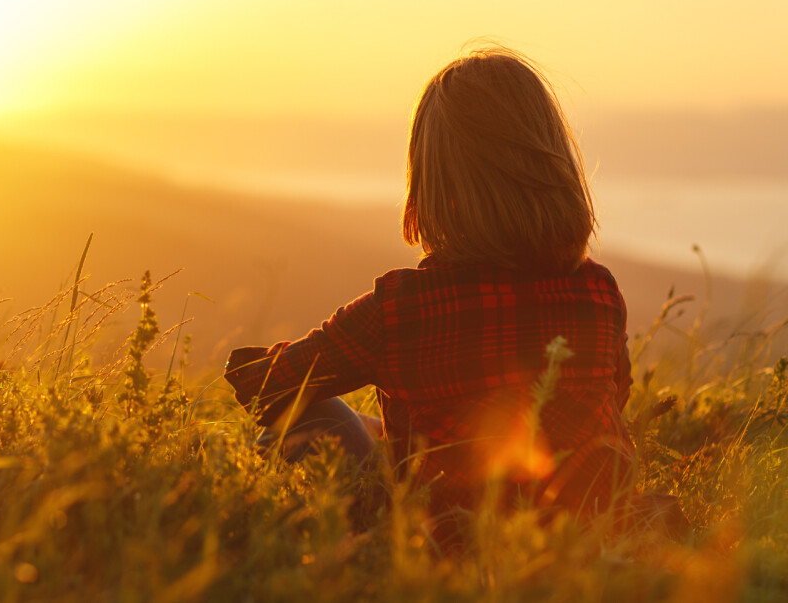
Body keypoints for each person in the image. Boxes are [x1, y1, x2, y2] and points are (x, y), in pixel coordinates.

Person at [223, 47, 641, 531]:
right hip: (577, 533)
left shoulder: (402, 308)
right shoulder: (598, 294)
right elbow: (611, 403)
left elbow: (267, 386)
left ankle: (237, 533)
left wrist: (366, 427)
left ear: (433, 180)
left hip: (439, 537)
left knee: (315, 414)